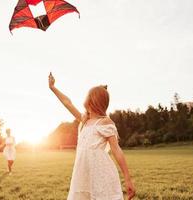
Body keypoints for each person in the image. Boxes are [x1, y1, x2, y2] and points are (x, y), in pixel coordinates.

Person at [48, 72, 135, 200]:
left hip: (100, 174)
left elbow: (116, 150)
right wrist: (53, 88)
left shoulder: (105, 122)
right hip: (82, 174)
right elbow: (68, 103)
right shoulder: (84, 120)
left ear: (92, 100)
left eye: (87, 96)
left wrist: (127, 178)